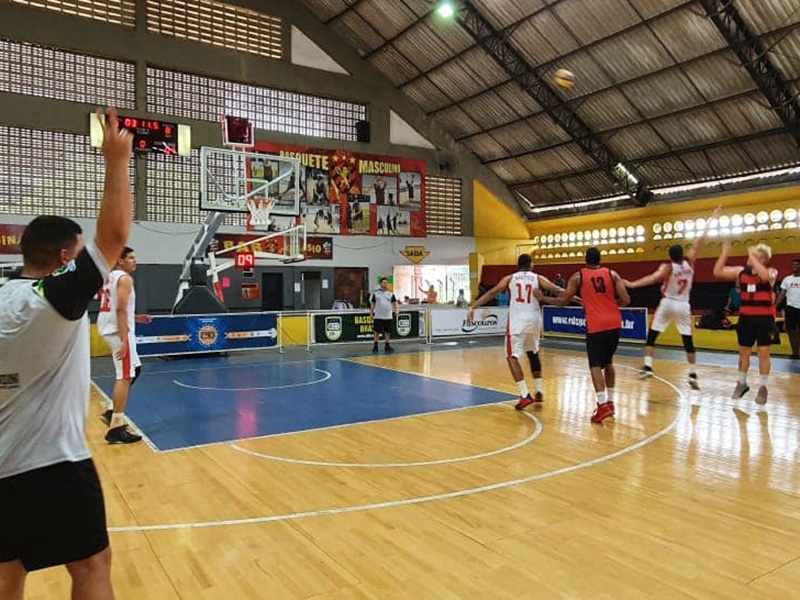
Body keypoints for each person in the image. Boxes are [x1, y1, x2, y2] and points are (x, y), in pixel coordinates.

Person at [0, 107, 132, 599]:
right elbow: (114, 238)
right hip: (53, 463)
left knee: (8, 570)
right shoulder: (55, 298)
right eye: (78, 253)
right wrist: (116, 161)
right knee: (93, 565)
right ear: (63, 259)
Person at [625, 206, 719, 388]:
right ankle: (692, 373)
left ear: (670, 256)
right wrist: (713, 217)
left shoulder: (667, 268)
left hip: (668, 302)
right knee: (687, 340)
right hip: (684, 305)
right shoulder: (690, 262)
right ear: (682, 254)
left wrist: (632, 284)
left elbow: (652, 279)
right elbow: (701, 239)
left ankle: (648, 366)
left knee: (652, 337)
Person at [538, 247, 629, 423]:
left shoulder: (578, 276)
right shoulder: (613, 274)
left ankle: (602, 406)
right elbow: (626, 299)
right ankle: (610, 402)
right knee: (609, 362)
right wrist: (610, 307)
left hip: (596, 324)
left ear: (585, 260)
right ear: (600, 259)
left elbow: (563, 301)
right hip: (615, 322)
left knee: (595, 365)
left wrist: (543, 298)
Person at [469, 254, 564, 410]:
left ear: (518, 265)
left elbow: (492, 293)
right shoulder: (538, 278)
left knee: (511, 357)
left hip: (517, 323)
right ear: (531, 265)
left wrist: (473, 306)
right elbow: (558, 290)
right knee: (532, 353)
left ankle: (525, 394)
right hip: (534, 321)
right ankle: (539, 390)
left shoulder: (510, 278)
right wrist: (580, 300)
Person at [97, 247, 153, 444]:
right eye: (130, 258)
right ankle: (116, 426)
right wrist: (123, 339)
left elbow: (115, 307)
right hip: (119, 332)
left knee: (134, 370)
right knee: (125, 375)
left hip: (108, 327)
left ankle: (113, 412)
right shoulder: (125, 279)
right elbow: (120, 309)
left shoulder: (108, 277)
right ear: (120, 261)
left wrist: (136, 317)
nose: (134, 261)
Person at [713, 242, 778, 404]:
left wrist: (754, 258)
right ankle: (741, 383)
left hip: (765, 319)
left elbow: (765, 277)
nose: (749, 256)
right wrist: (725, 253)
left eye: (754, 255)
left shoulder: (771, 271)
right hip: (746, 319)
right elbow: (717, 272)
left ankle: (763, 387)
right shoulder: (741, 272)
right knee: (744, 353)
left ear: (761, 258)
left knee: (763, 352)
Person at [776, 258, 800, 359]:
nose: (794, 266)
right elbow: (782, 294)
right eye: (793, 264)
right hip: (790, 308)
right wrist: (775, 305)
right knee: (791, 331)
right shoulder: (787, 279)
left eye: (797, 264)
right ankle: (794, 353)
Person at [370, 277, 399, 353]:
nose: (385, 284)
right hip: (378, 316)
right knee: (376, 331)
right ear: (380, 284)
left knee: (387, 331)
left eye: (386, 282)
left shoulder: (391, 294)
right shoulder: (376, 294)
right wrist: (371, 312)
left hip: (388, 316)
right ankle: (375, 345)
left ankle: (387, 345)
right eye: (383, 282)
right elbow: (373, 303)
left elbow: (395, 303)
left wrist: (397, 310)